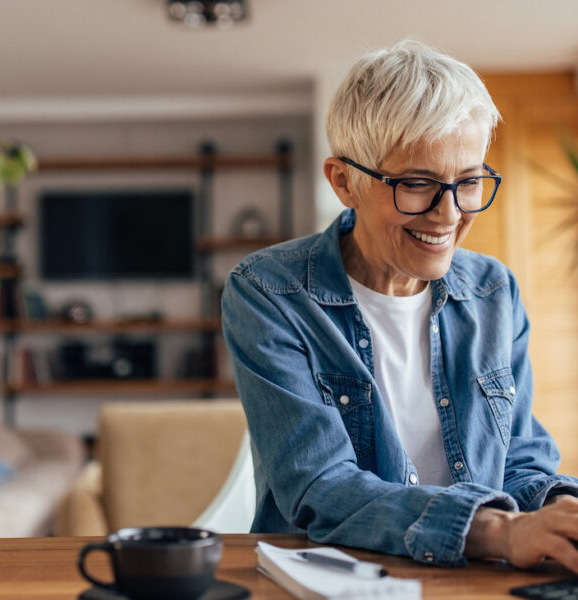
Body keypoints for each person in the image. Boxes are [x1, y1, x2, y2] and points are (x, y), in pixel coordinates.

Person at [221, 39, 578, 570]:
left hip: (472, 578)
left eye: (469, 181)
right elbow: (320, 487)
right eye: (416, 184)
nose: (449, 214)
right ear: (345, 182)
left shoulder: (492, 291)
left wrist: (559, 513)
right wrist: (498, 531)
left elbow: (521, 457)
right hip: (334, 579)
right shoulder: (270, 292)